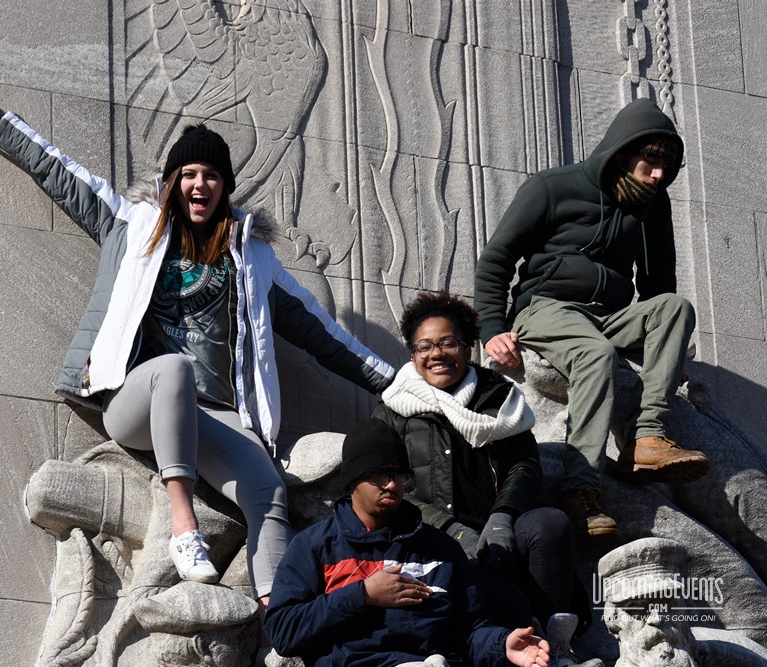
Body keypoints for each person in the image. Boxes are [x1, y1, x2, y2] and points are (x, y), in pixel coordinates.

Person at [0, 73, 395, 614]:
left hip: (215, 415)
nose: (201, 184)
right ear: (173, 181)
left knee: (268, 489)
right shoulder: (133, 223)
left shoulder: (253, 259)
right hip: (136, 404)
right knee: (172, 368)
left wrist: (402, 385)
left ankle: (278, 615)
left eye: (213, 176)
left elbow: (326, 337)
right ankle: (183, 523)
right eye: (190, 174)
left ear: (225, 188)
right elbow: (61, 174)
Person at [473, 98, 710, 539]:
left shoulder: (654, 206)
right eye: (651, 162)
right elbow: (496, 260)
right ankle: (580, 491)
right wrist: (490, 329)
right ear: (623, 151)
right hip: (546, 307)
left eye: (667, 166)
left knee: (676, 308)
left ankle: (646, 439)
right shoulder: (552, 187)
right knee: (594, 354)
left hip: (612, 314)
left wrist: (661, 349)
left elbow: (659, 284)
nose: (659, 174)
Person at [373, 291, 600, 667]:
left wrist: (503, 516)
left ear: (467, 348)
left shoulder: (500, 397)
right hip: (433, 537)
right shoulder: (392, 410)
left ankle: (555, 645)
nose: (436, 354)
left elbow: (524, 465)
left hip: (502, 530)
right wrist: (449, 527)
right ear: (412, 354)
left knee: (548, 523)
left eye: (448, 343)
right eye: (424, 346)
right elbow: (387, 487)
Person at [264, 417, 551, 667]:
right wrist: (361, 594)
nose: (390, 484)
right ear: (352, 482)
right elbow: (283, 632)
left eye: (399, 475)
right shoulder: (314, 546)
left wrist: (502, 645)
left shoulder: (441, 549)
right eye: (377, 475)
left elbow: (470, 630)